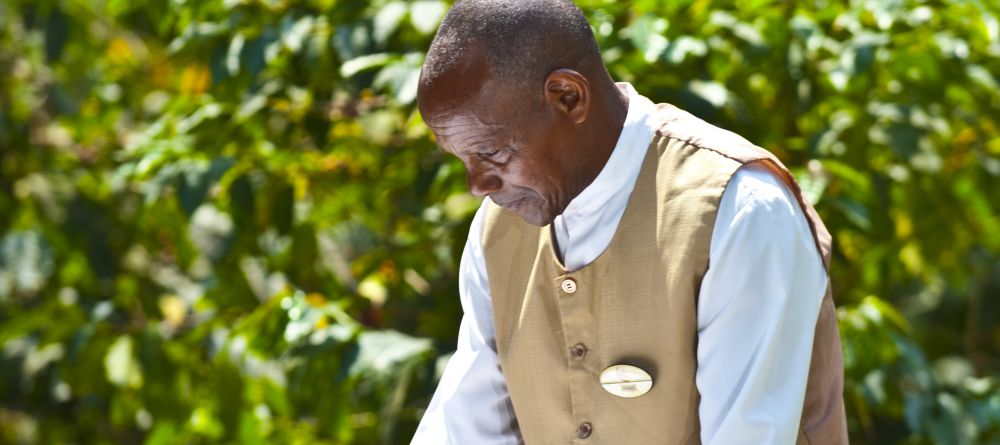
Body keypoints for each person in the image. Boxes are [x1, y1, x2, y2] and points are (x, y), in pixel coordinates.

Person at [410, 0, 848, 443]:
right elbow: (464, 429)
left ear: (568, 97)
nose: (477, 184)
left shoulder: (739, 208)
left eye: (492, 152)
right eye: (461, 159)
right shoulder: (497, 230)